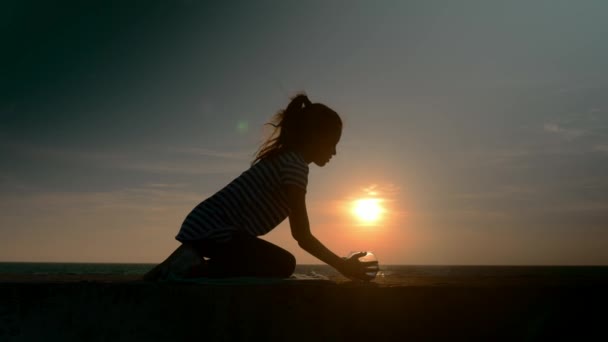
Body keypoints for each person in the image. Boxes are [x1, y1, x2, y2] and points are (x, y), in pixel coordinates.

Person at [143, 93, 377, 281]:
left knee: (266, 260)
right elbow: (302, 235)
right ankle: (191, 270)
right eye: (332, 144)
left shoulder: (287, 159)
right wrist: (342, 265)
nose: (334, 152)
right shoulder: (295, 166)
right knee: (283, 263)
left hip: (205, 225)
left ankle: (184, 263)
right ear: (315, 137)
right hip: (214, 230)